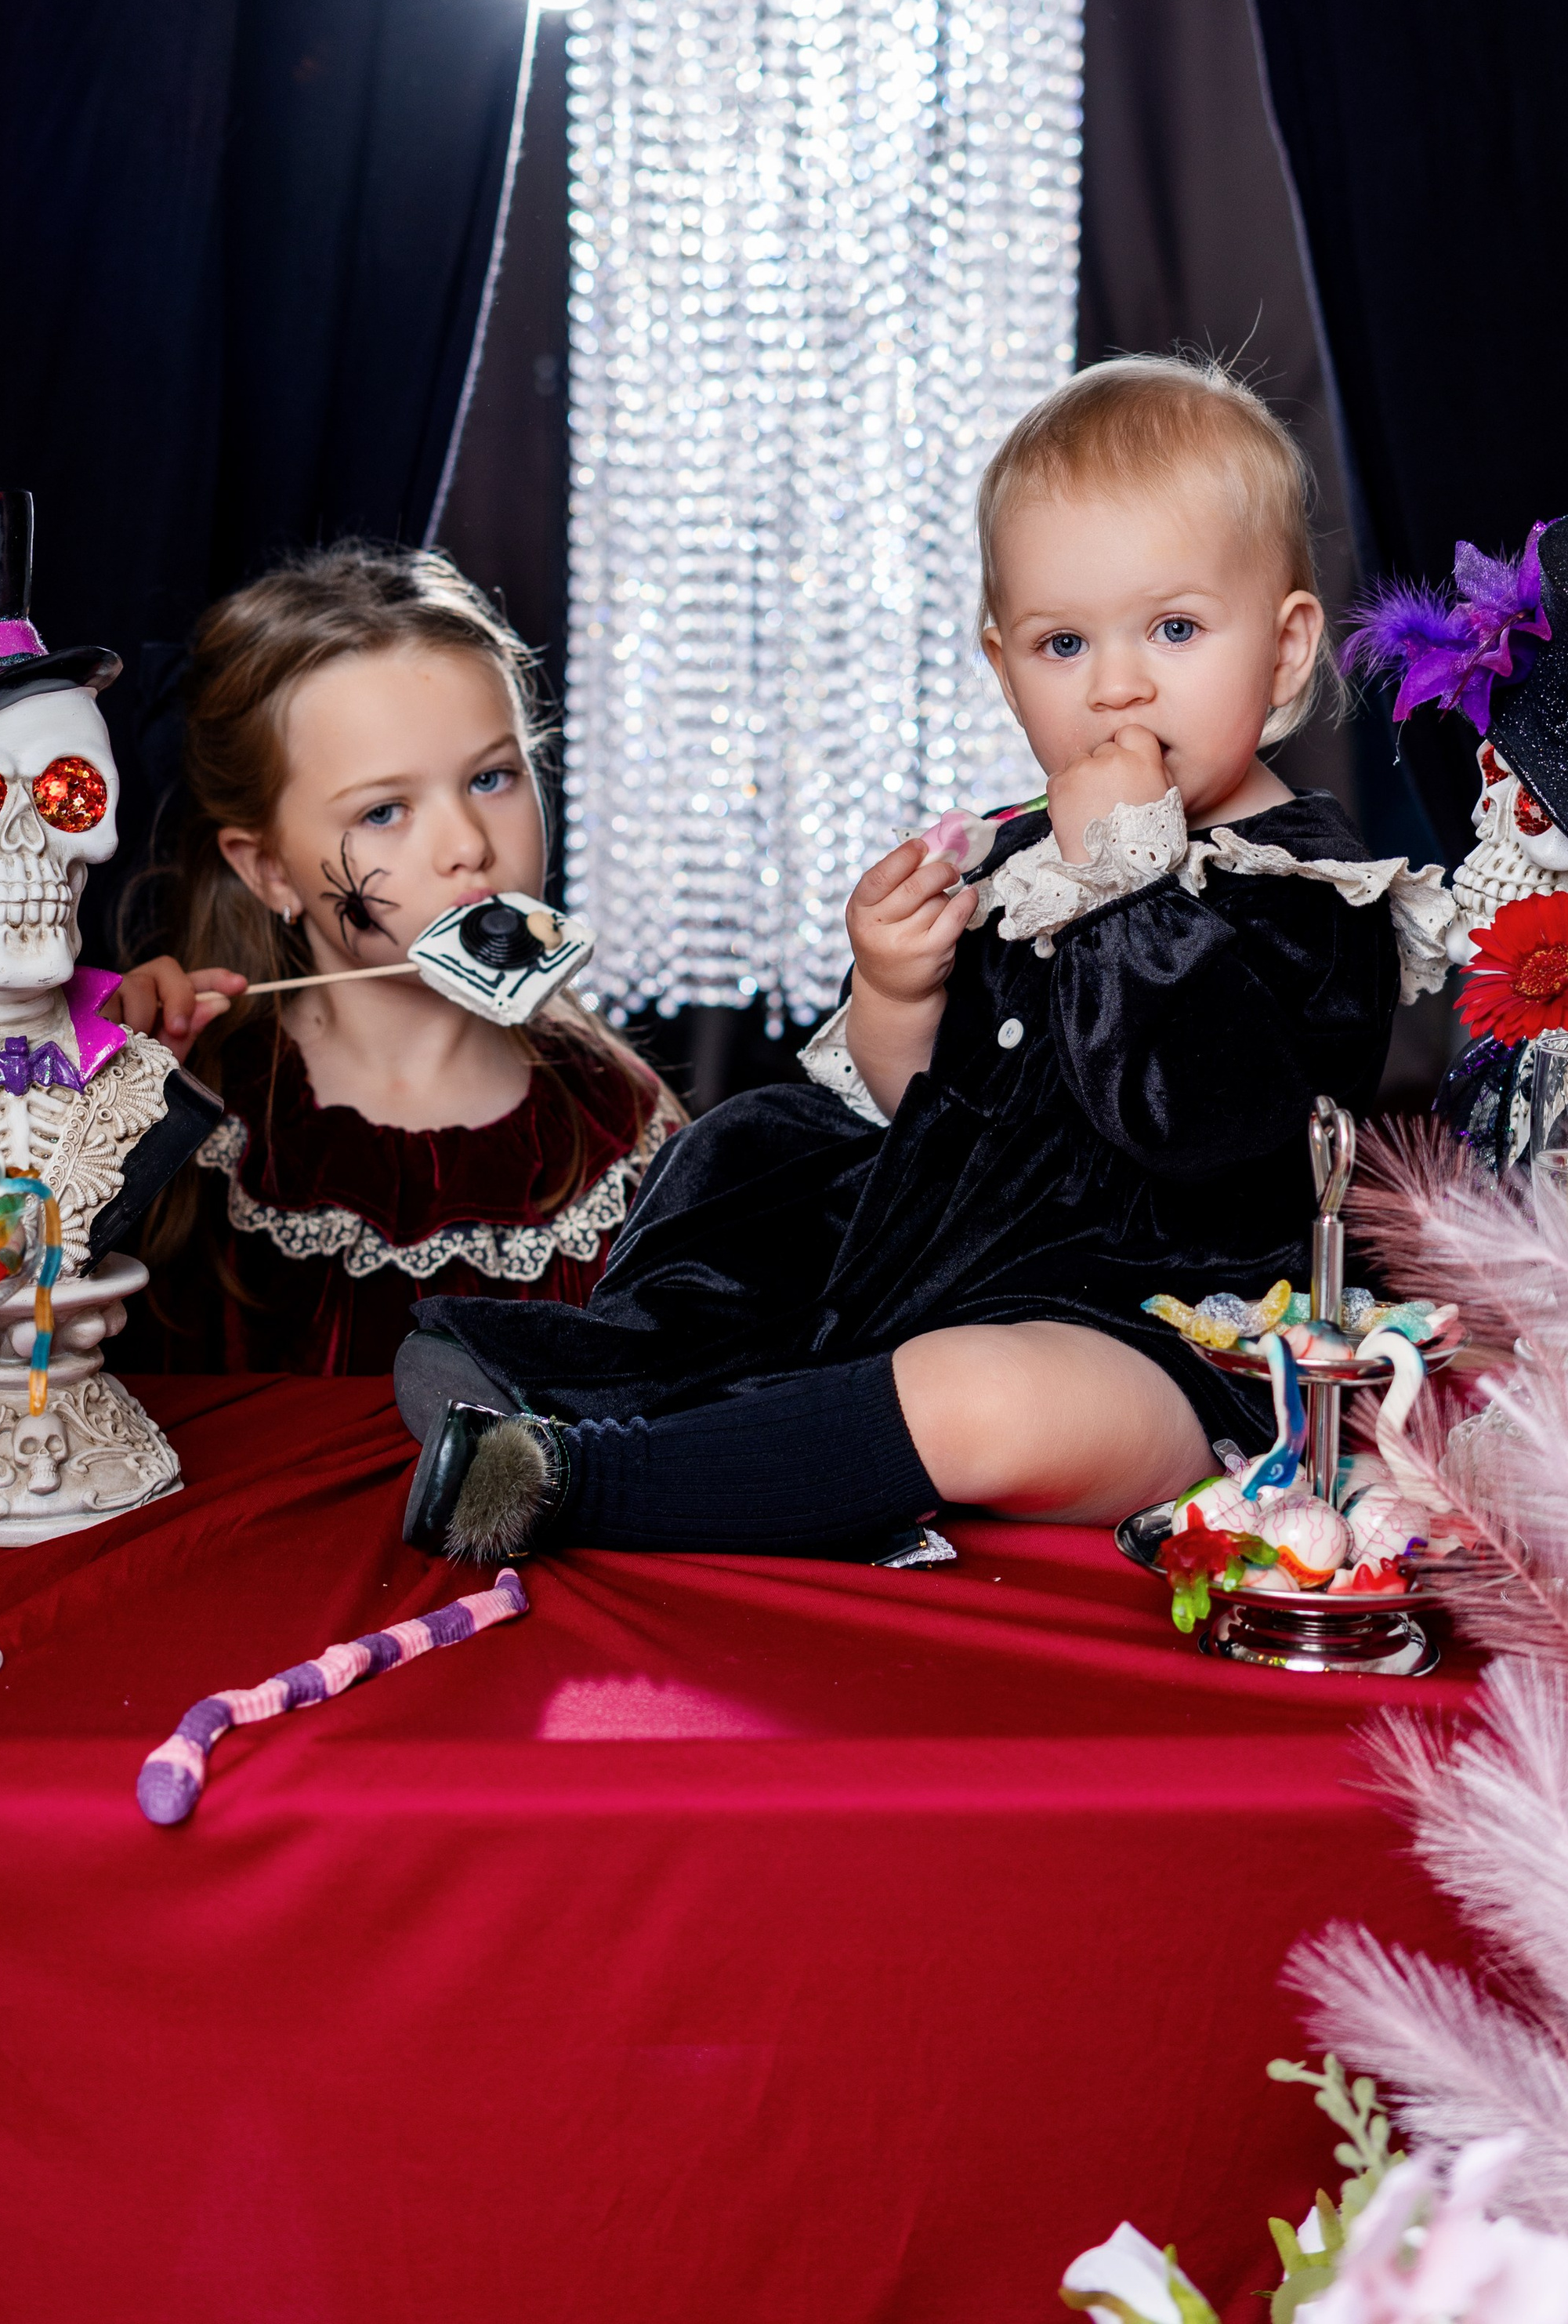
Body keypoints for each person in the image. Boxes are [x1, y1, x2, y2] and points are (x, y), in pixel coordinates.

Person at [397, 356, 1453, 1564]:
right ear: (1003, 670)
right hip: (946, 1263)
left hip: (1163, 1343)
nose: (1116, 687)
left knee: (982, 1399)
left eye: (1174, 629)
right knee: (758, 1146)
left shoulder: (1315, 893)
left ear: (1283, 650)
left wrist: (1125, 867)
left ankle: (583, 1481)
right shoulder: (1022, 856)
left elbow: (1194, 1123)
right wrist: (896, 989)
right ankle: (593, 1369)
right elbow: (928, 1113)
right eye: (1063, 645)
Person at [116, 545, 680, 1377]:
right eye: (384, 811)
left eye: (492, 778)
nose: (467, 847)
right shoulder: (193, 1109)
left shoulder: (622, 1128)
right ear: (268, 869)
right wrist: (90, 1111)